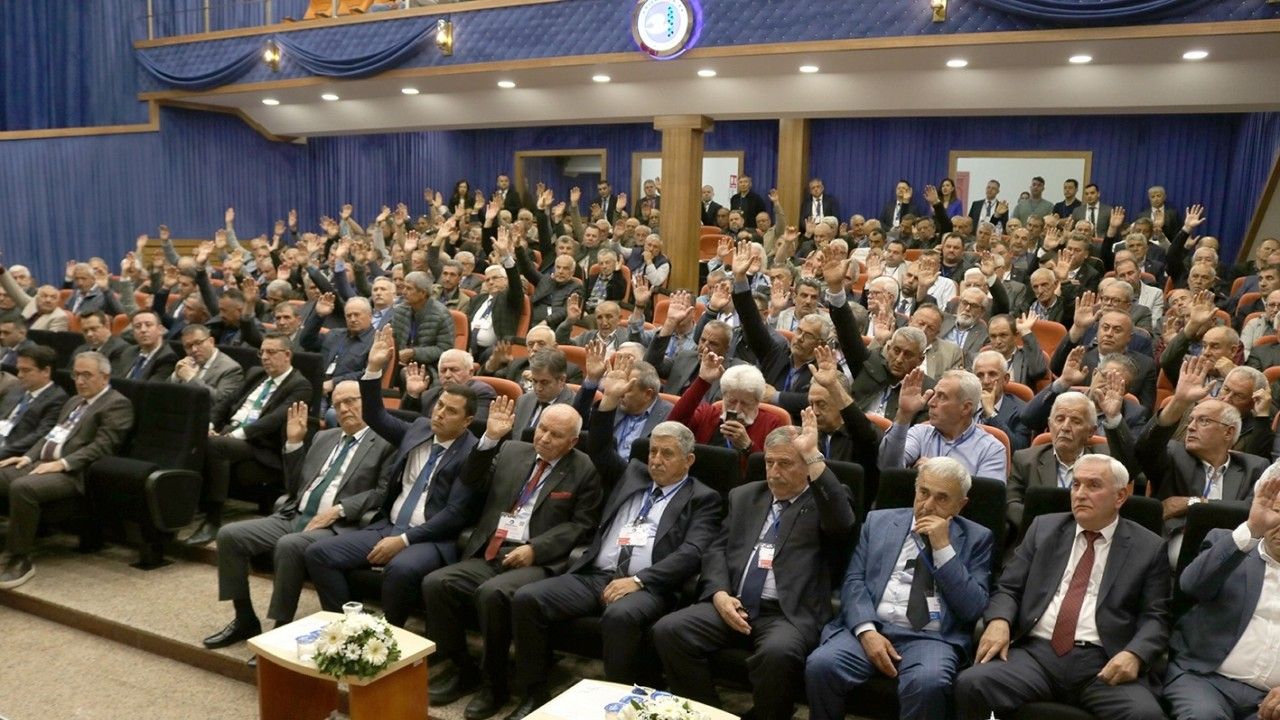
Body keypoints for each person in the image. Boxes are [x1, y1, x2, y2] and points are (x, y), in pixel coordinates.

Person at [506, 421, 722, 719]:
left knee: (619, 616)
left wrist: (639, 580)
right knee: (527, 598)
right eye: (653, 451)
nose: (656, 460)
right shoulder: (633, 474)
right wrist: (605, 405)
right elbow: (600, 449)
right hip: (598, 574)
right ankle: (534, 693)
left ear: (689, 460)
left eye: (667, 454)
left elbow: (693, 552)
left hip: (650, 586)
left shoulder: (702, 498)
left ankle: (621, 706)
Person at [653, 415, 856, 720]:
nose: (774, 472)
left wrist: (814, 457)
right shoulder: (745, 496)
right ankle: (708, 713)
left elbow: (842, 523)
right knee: (670, 631)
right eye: (769, 463)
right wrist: (719, 594)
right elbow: (717, 549)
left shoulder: (823, 500)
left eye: (785, 464)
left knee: (777, 654)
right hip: (732, 602)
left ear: (806, 466)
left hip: (786, 613)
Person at [422, 400, 602, 720]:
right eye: (542, 429)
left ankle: (495, 685)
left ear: (573, 441)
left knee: (492, 594)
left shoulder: (583, 468)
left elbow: (581, 525)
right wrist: (490, 439)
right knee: (437, 583)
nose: (544, 438)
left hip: (538, 561)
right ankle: (462, 668)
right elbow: (471, 480)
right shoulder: (512, 451)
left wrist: (536, 548)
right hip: (493, 550)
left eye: (555, 435)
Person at [954, 454, 1169, 720]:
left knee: (1145, 715)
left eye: (1093, 485)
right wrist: (999, 621)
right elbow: (1009, 587)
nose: (1080, 494)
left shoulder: (1148, 547)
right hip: (1036, 654)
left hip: (1103, 660)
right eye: (1076, 484)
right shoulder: (1043, 529)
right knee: (972, 684)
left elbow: (1155, 617)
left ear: (1120, 496)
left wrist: (1135, 654)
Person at [304, 329, 481, 628]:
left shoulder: (472, 453)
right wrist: (374, 368)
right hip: (388, 525)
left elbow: (454, 514)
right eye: (439, 405)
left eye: (450, 412)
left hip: (430, 538)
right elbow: (375, 415)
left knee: (399, 568)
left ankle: (387, 635)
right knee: (318, 553)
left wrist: (403, 540)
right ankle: (350, 627)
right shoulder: (419, 429)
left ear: (467, 421)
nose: (439, 414)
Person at [202, 385, 395, 648]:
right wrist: (294, 443)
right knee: (229, 535)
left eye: (351, 401)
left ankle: (280, 629)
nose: (344, 409)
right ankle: (244, 618)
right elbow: (294, 487)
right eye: (338, 404)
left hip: (339, 526)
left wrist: (339, 509)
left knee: (289, 545)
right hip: (295, 514)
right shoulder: (324, 438)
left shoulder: (385, 442)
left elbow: (382, 492)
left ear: (369, 401)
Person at [805, 457, 993, 720]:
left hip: (931, 638)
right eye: (924, 492)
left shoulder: (977, 538)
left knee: (929, 683)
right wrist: (866, 631)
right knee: (821, 665)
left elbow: (972, 607)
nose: (928, 505)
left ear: (960, 505)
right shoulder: (879, 522)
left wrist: (943, 549)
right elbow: (854, 581)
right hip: (874, 626)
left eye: (942, 498)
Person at [0, 352, 133, 588]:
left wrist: (62, 463)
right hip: (42, 463)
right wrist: (27, 456)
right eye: (76, 374)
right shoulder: (73, 401)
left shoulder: (117, 404)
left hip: (74, 473)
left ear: (105, 377)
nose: (80, 381)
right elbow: (50, 435)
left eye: (87, 375)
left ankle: (19, 559)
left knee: (23, 487)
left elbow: (103, 446)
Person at [1161, 472, 1280, 720]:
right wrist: (1252, 528)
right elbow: (1191, 585)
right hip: (1205, 681)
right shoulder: (1230, 546)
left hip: (1270, 701)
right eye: (1277, 511)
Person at [184, 333, 313, 545]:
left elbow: (273, 420)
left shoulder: (300, 385)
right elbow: (226, 403)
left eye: (271, 352)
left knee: (217, 445)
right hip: (232, 434)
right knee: (197, 436)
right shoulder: (256, 374)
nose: (265, 357)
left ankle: (213, 520)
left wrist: (233, 434)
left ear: (287, 355)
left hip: (262, 446)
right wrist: (211, 425)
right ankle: (185, 505)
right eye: (262, 352)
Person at [1136, 356, 1267, 562]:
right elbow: (1144, 449)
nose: (1190, 427)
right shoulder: (1173, 454)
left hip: (1228, 555)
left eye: (1203, 421)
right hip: (1174, 553)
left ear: (1228, 432)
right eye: (1191, 420)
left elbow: (1252, 510)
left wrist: (1193, 502)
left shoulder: (1253, 466)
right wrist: (1179, 401)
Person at [1006, 388, 1135, 532]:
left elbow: (1131, 465)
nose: (1065, 427)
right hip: (1040, 535)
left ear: (1091, 431)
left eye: (1076, 421)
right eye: (1060, 419)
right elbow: (1011, 504)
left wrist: (1113, 417)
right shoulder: (1025, 460)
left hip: (1092, 533)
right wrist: (1044, 528)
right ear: (1050, 425)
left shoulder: (1106, 458)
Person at [881, 368, 1008, 480]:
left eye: (942, 397)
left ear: (965, 408)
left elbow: (986, 497)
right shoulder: (920, 433)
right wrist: (904, 414)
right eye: (934, 394)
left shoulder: (991, 449)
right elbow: (888, 468)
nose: (931, 403)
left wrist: (936, 472)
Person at [668, 352, 784, 455]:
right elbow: (673, 426)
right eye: (732, 401)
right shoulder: (708, 414)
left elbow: (771, 469)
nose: (737, 410)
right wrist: (703, 381)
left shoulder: (772, 424)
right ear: (723, 397)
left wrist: (748, 446)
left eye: (745, 403)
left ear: (757, 402)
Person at [0, 346, 68, 459]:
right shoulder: (16, 388)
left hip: (13, 453)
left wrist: (2, 451)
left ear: (46, 371)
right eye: (19, 369)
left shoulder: (57, 398)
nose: (19, 375)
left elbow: (40, 436)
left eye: (26, 370)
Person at [399, 349, 496, 426]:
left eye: (454, 370)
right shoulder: (430, 394)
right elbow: (407, 422)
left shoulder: (481, 392)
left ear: (470, 372)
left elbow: (474, 427)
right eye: (443, 370)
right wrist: (413, 394)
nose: (447, 375)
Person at [391, 271, 456, 382]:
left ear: (423, 293)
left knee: (406, 374)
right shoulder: (399, 310)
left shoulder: (441, 315)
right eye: (404, 287)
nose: (404, 292)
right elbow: (393, 339)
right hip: (399, 361)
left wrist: (414, 353)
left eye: (409, 288)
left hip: (428, 366)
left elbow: (444, 349)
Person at [509, 349, 574, 439]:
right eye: (534, 381)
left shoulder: (574, 408)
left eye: (544, 382)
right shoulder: (524, 401)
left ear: (562, 380)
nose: (538, 388)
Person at [118, 311, 179, 381]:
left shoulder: (168, 358)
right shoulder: (128, 352)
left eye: (148, 325)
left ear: (160, 330)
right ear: (133, 333)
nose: (143, 330)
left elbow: (151, 386)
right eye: (137, 326)